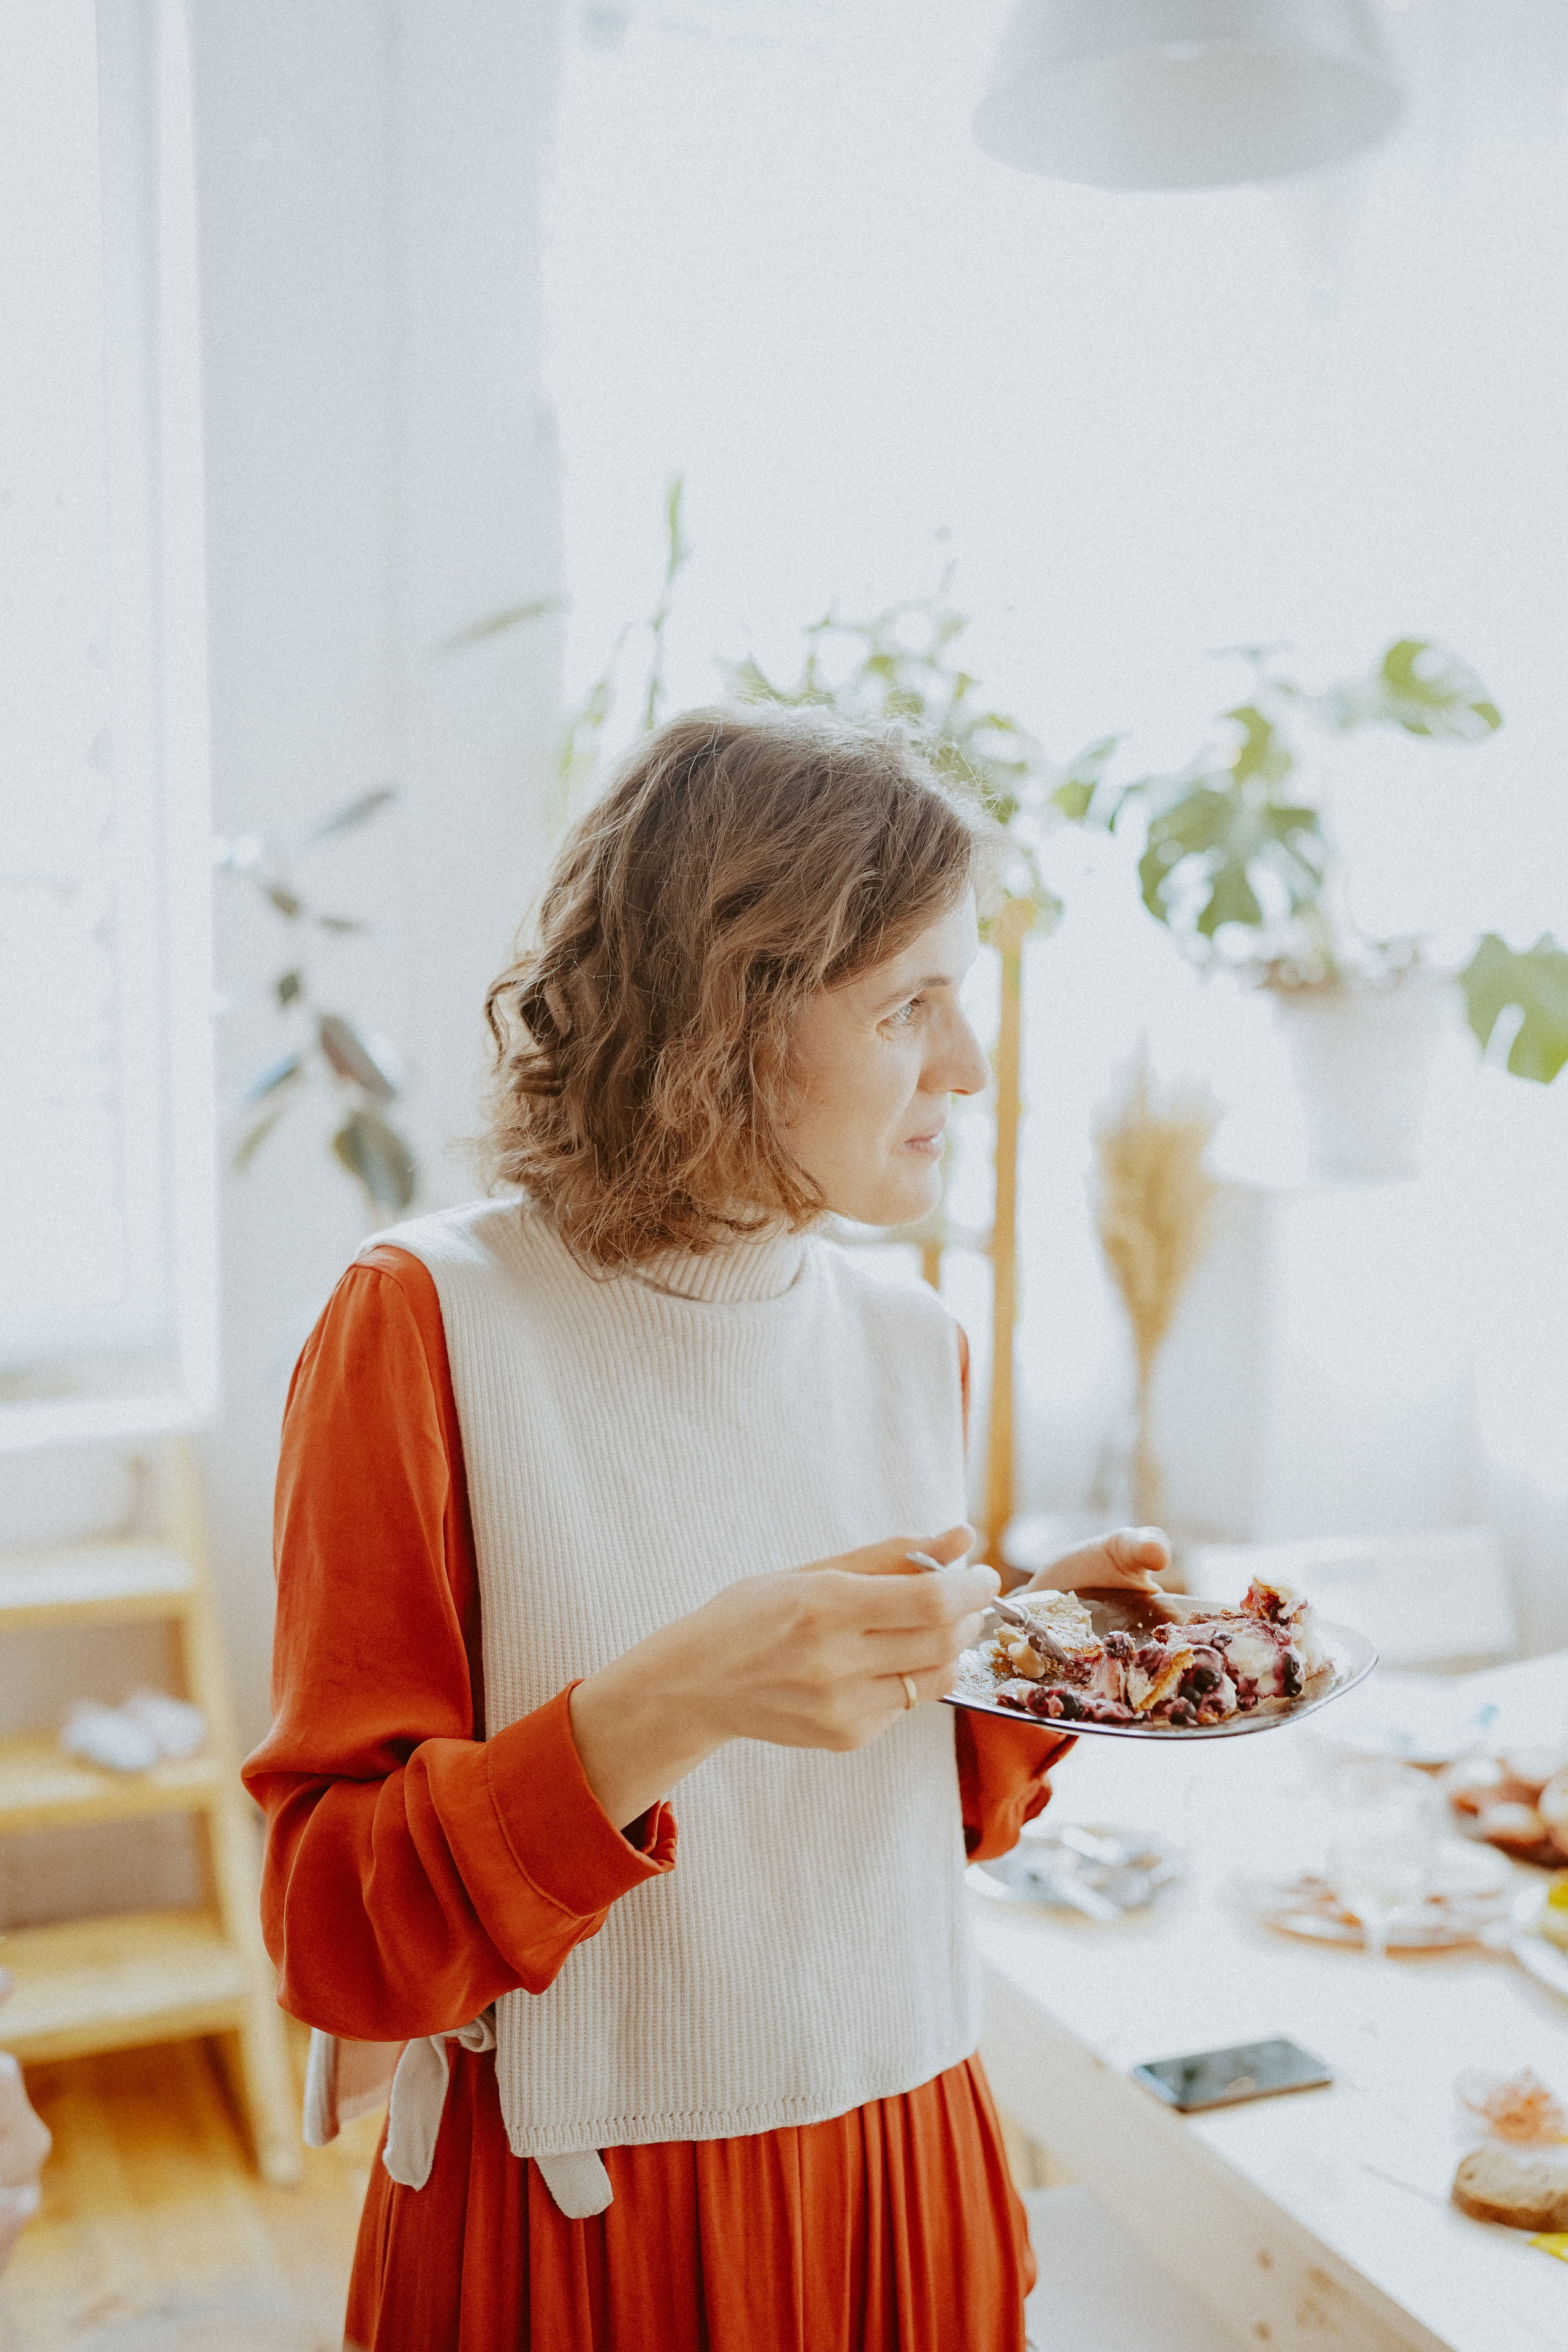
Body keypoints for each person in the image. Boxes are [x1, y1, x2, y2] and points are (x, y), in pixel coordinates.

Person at [244, 707, 1168, 2351]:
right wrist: (666, 1705)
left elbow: (868, 1831)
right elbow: (336, 1936)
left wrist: (1046, 1665)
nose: (968, 1065)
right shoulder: (428, 1324)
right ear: (727, 1016)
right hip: (585, 2225)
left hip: (908, 2161)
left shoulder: (909, 1342)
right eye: (912, 1005)